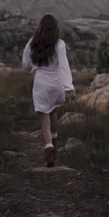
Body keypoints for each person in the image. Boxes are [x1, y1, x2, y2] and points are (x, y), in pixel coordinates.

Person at [22, 14, 76, 167]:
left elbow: (25, 66)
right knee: (53, 111)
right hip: (57, 82)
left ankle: (49, 147)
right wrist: (69, 87)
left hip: (41, 82)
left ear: (40, 27)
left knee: (44, 116)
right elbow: (64, 66)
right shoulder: (59, 44)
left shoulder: (32, 43)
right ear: (55, 28)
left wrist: (34, 67)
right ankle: (55, 141)